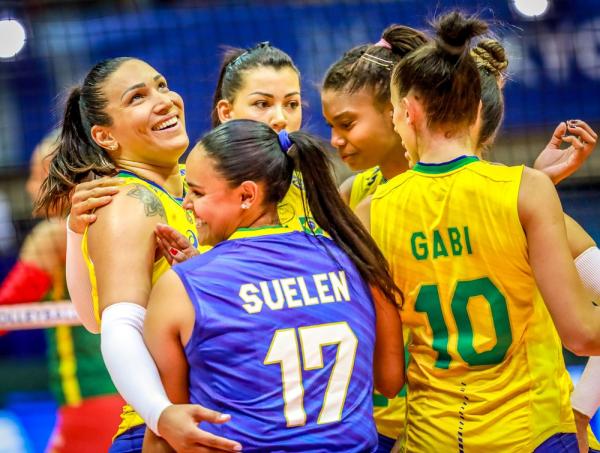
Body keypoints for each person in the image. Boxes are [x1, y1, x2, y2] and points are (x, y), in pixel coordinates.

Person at [369, 10, 600, 452]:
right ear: (478, 109)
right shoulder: (526, 191)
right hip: (532, 435)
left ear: (409, 111)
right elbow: (583, 334)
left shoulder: (374, 208)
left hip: (430, 439)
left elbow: (389, 376)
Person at [144, 118, 405, 452]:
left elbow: (170, 424)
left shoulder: (182, 286)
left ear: (247, 195)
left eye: (197, 192)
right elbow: (391, 380)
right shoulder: (354, 257)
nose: (186, 204)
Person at [34, 57, 238, 452]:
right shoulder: (128, 200)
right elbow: (116, 324)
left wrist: (78, 237)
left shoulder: (192, 191)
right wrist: (161, 413)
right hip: (172, 428)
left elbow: (91, 318)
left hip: (213, 415)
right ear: (105, 137)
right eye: (138, 97)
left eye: (162, 85)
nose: (164, 100)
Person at [0, 132, 125, 453]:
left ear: (63, 179)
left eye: (35, 176)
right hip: (141, 393)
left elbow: (5, 310)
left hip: (91, 401)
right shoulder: (127, 219)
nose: (29, 187)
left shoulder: (52, 236)